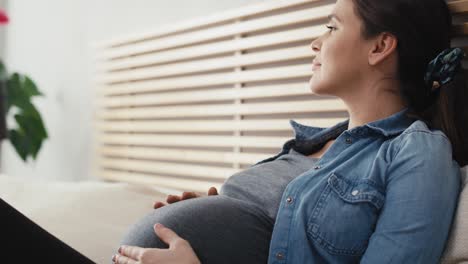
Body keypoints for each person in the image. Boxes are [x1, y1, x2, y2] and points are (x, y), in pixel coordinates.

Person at [113, 0, 467, 263]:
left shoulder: (417, 153)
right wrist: (221, 206)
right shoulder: (311, 143)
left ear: (379, 46)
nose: (315, 43)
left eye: (331, 27)